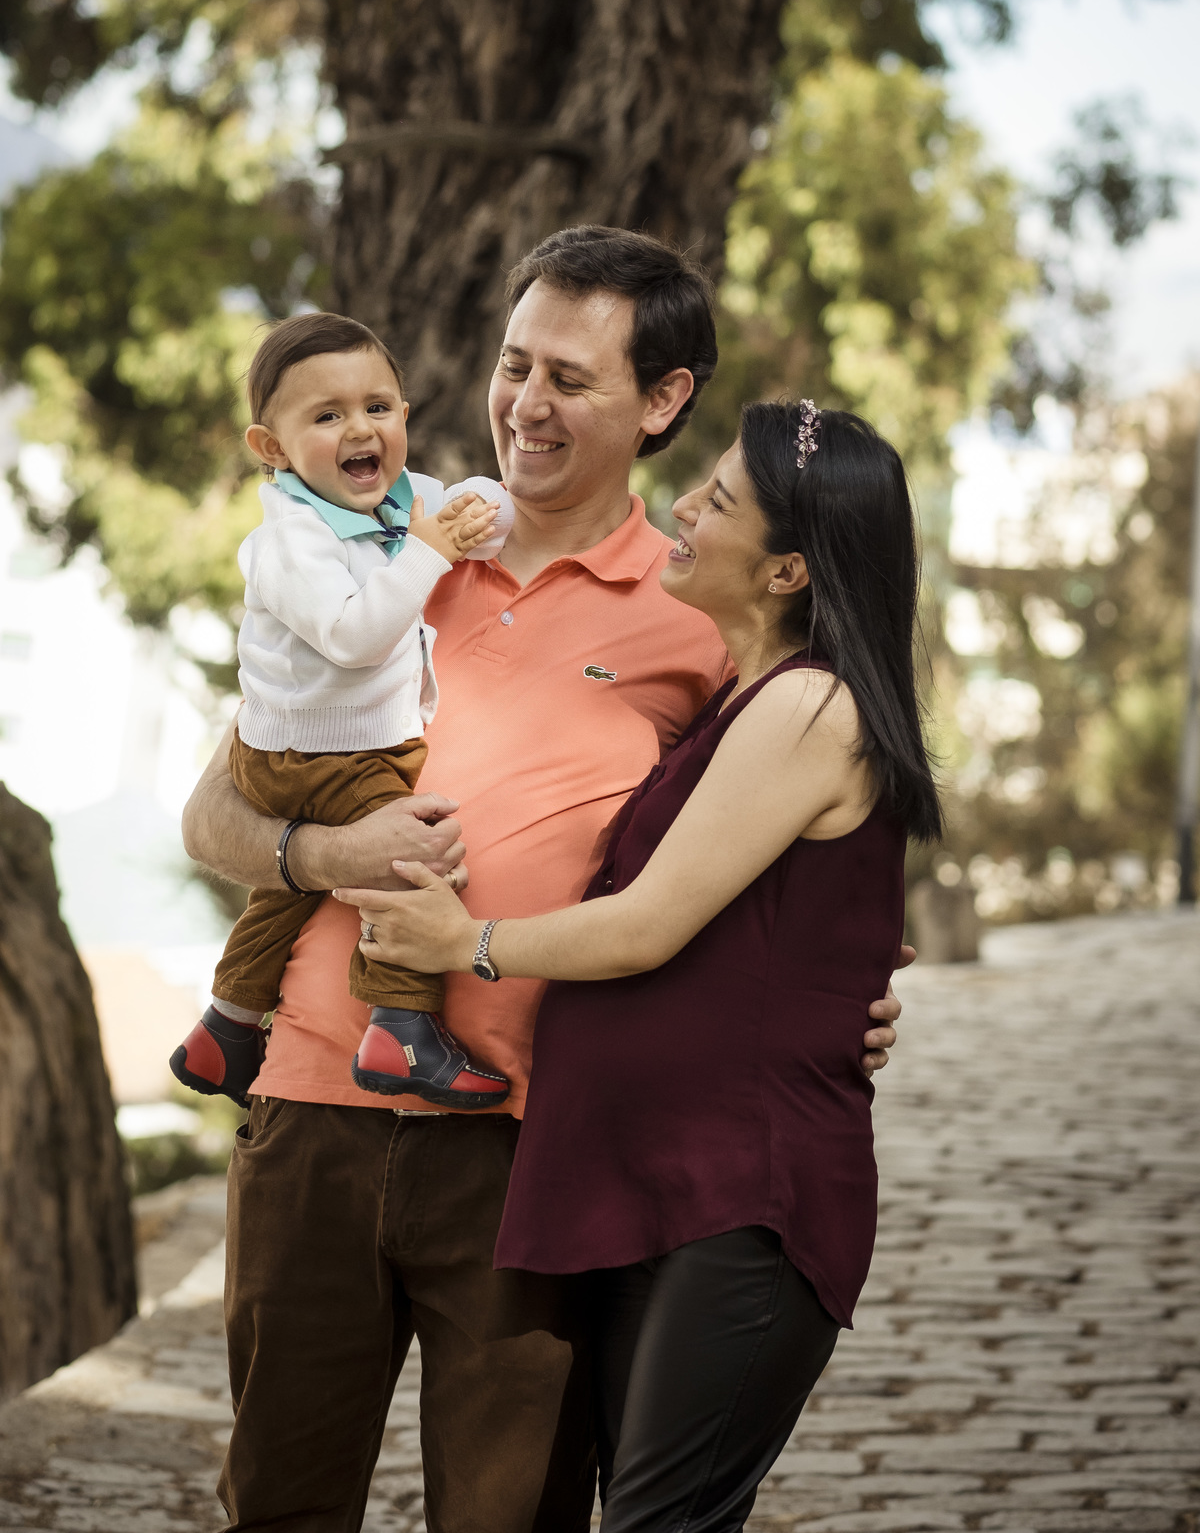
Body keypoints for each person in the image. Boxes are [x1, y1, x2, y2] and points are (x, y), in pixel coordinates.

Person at [180, 227, 910, 1533]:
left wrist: (833, 998)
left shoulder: (704, 618)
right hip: (312, 1114)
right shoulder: (377, 555)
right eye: (515, 364)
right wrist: (325, 857)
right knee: (275, 1509)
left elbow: (750, 855)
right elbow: (211, 813)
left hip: (531, 1149)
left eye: (570, 378)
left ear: (663, 401)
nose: (525, 404)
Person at [335, 396, 940, 1532]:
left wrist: (461, 943)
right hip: (659, 1184)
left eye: (718, 502)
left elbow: (648, 922)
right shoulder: (747, 704)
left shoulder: (810, 705)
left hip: (741, 1200)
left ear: (786, 574)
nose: (682, 507)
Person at [171, 311, 513, 1111]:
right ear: (273, 449)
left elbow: (477, 521)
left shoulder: (403, 497)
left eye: (378, 407)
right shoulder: (290, 540)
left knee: (284, 892)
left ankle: (224, 1028)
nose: (360, 429)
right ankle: (400, 1028)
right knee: (409, 858)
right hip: (315, 756)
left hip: (328, 747)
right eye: (326, 417)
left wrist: (480, 508)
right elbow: (355, 636)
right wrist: (432, 550)